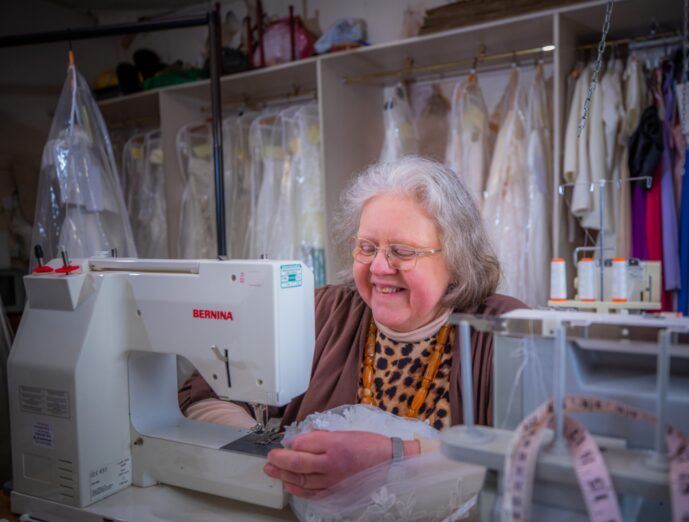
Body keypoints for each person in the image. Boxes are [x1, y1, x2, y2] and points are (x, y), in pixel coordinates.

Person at [179, 156, 524, 498]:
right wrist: (269, 456)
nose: (378, 267)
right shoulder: (319, 312)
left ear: (456, 258)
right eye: (367, 247)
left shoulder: (509, 333)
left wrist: (396, 459)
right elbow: (205, 388)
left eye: (401, 251)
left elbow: (534, 461)